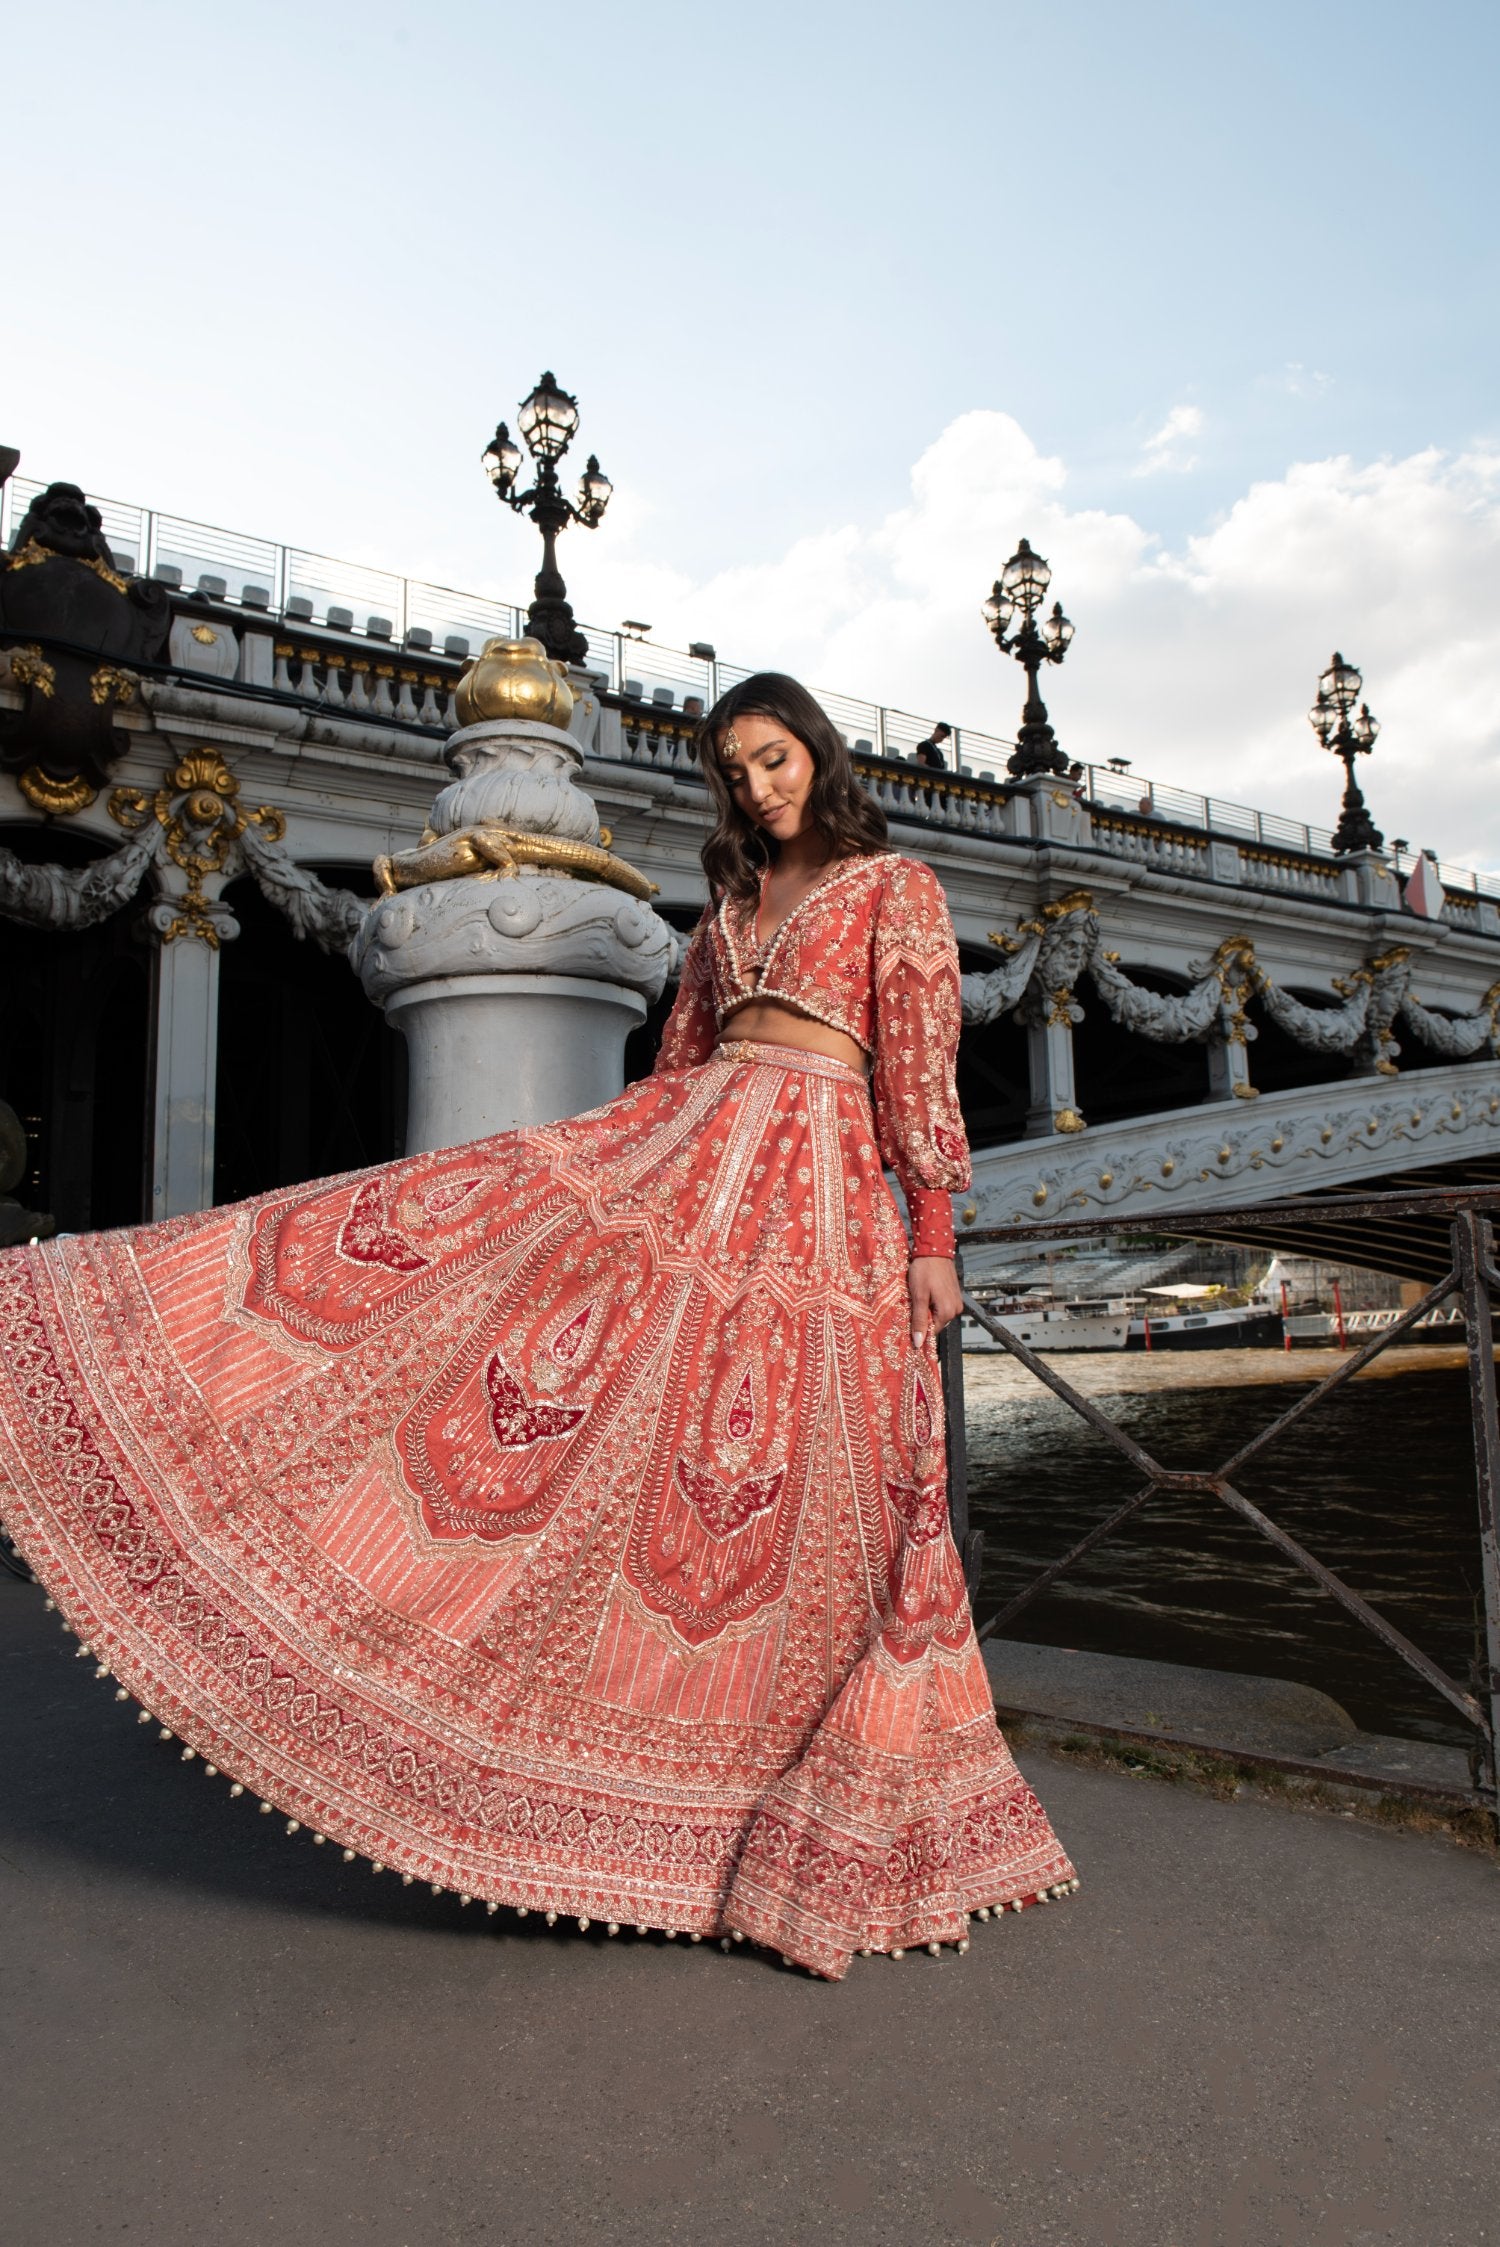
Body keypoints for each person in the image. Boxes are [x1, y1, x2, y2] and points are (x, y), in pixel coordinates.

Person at [0, 672, 1074, 1979]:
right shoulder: (732, 906)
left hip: (828, 1196)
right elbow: (681, 1064)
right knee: (571, 1406)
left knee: (796, 1491)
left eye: (775, 758)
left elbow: (918, 1072)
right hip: (696, 1163)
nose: (758, 785)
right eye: (735, 769)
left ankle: (799, 1801)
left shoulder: (894, 889)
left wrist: (933, 1240)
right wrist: (625, 1180)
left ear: (818, 753)